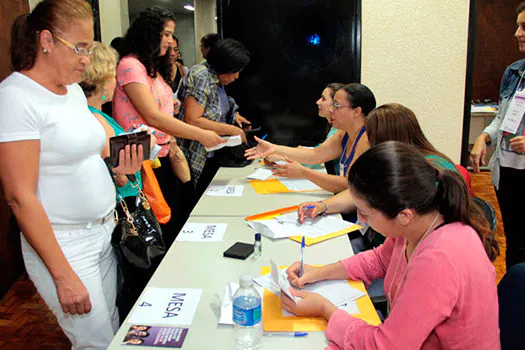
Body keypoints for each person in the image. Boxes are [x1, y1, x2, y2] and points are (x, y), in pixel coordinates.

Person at [0, 1, 142, 348]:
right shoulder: (16, 98)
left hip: (102, 232)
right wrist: (63, 276)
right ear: (46, 40)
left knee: (111, 325)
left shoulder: (73, 92)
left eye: (89, 47)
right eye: (79, 48)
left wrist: (120, 168)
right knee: (95, 341)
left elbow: (85, 154)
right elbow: (20, 197)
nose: (86, 58)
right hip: (64, 244)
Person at [282, 141, 500, 350]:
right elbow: (377, 260)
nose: (361, 218)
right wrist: (319, 272)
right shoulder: (419, 221)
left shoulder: (438, 259)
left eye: (365, 213)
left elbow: (386, 346)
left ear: (403, 215)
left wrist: (324, 309)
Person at [113, 7, 223, 243]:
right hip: (141, 162)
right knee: (156, 231)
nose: (170, 41)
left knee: (175, 221)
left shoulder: (152, 68)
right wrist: (201, 134)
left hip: (162, 154)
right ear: (149, 33)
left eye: (171, 35)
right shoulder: (130, 65)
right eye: (165, 34)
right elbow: (152, 116)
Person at [298, 103, 457, 223]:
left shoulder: (423, 170)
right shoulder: (397, 162)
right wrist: (323, 206)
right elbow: (364, 192)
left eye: (373, 138)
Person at [470, 2, 525, 270]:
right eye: (517, 26)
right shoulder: (514, 73)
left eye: (524, 26)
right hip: (507, 172)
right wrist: (484, 137)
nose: (516, 33)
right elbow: (501, 120)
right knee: (515, 242)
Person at [245, 83, 376, 193]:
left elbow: (348, 185)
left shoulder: (365, 139)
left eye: (337, 106)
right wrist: (274, 148)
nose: (331, 110)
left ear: (357, 112)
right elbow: (316, 155)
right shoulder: (344, 134)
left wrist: (304, 172)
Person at [177, 38, 251, 199]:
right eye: (235, 71)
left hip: (213, 154)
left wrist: (234, 116)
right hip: (196, 154)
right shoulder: (201, 76)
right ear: (224, 65)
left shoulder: (216, 78)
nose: (237, 76)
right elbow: (193, 119)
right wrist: (232, 130)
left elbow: (214, 108)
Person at [169, 35, 186, 101]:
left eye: (175, 50)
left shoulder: (184, 71)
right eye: (169, 49)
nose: (172, 53)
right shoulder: (156, 74)